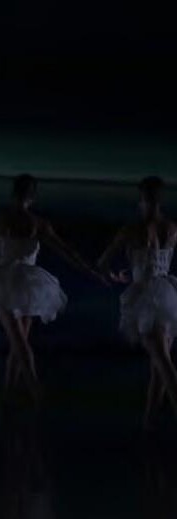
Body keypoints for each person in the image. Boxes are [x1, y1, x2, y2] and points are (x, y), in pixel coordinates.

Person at [0, 174, 106, 402]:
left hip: (7, 280)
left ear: (14, 194)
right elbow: (67, 252)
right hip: (29, 283)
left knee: (18, 343)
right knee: (19, 344)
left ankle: (35, 393)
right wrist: (91, 271)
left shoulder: (1, 220)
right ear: (32, 197)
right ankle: (11, 397)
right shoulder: (38, 223)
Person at [98, 176, 177, 428]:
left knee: (162, 362)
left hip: (145, 295)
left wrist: (116, 276)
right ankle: (149, 425)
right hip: (168, 293)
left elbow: (103, 263)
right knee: (159, 365)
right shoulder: (172, 228)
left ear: (142, 199)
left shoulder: (131, 229)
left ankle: (153, 424)